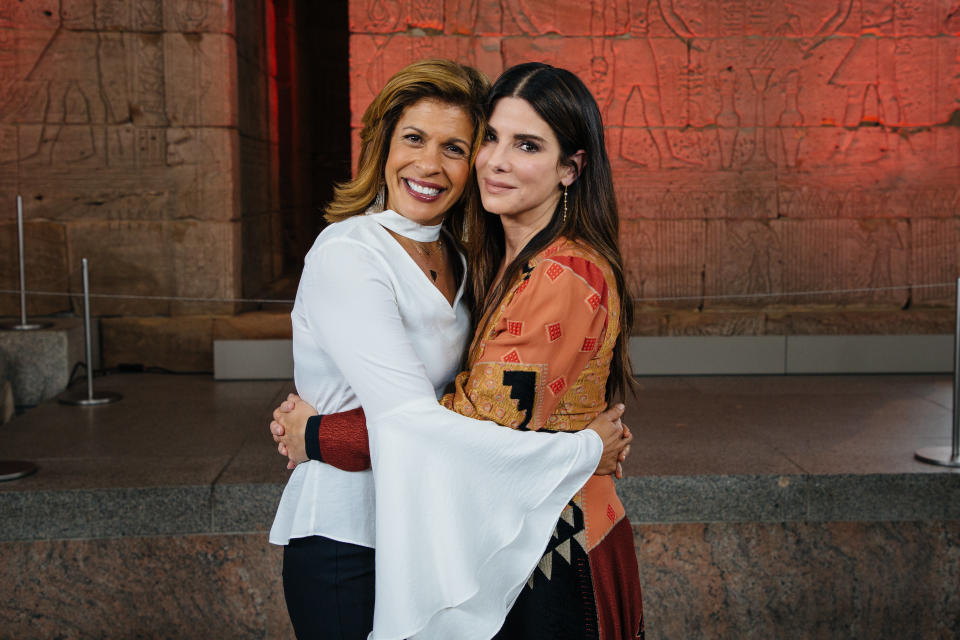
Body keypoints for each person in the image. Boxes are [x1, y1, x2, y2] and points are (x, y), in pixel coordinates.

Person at [274, 62, 645, 639]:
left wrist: (321, 435)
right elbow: (425, 422)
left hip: (533, 540)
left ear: (571, 168)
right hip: (355, 532)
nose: (493, 160)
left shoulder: (530, 270)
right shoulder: (354, 249)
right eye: (491, 139)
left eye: (456, 145)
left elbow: (469, 423)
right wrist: (583, 449)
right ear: (382, 145)